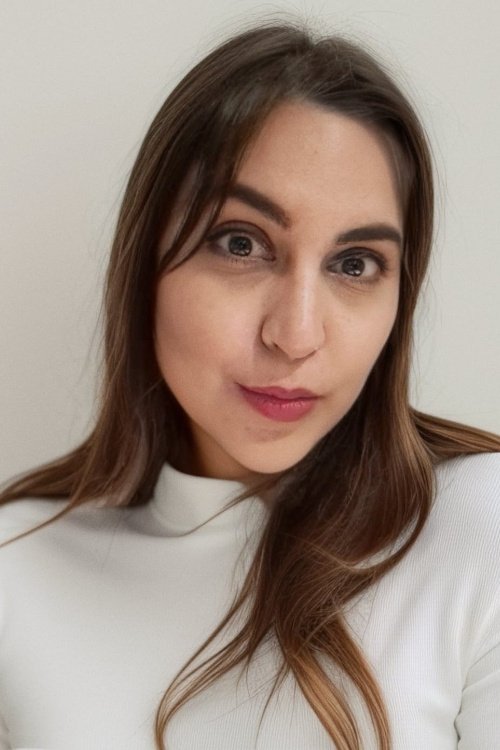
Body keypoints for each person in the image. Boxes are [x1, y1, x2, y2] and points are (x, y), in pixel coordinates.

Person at [0, 19, 499, 750]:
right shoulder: (18, 565)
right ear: (146, 265)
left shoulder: (473, 529)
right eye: (241, 244)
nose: (295, 335)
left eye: (355, 264)